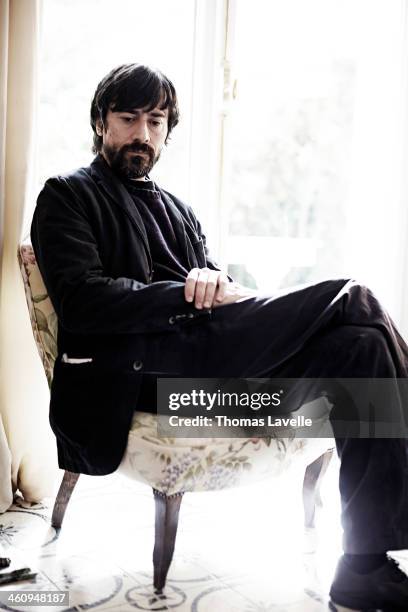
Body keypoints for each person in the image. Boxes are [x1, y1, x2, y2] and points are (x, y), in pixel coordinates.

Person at [31, 63, 408, 611]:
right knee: (353, 296)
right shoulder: (68, 195)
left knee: (366, 348)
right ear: (100, 121)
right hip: (148, 385)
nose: (142, 133)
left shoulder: (179, 210)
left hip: (213, 375)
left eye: (155, 121)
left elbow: (221, 297)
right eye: (128, 117)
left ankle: (363, 567)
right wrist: (186, 292)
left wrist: (218, 286)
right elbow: (83, 303)